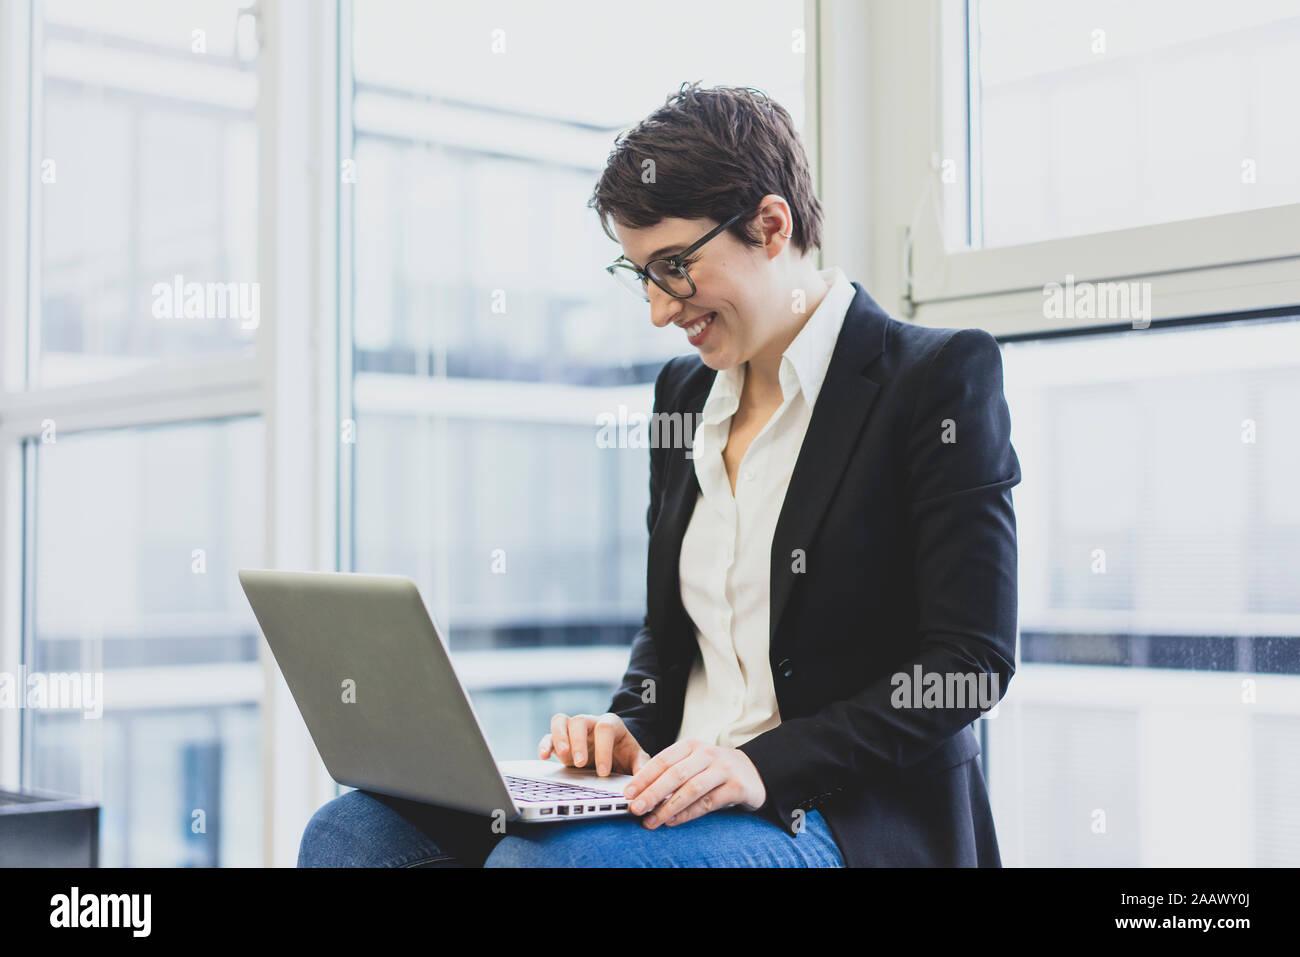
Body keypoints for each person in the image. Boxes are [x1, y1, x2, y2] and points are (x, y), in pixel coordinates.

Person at [298, 81, 1020, 867]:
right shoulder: (684, 396)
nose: (657, 308)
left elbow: (969, 663)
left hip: (836, 813)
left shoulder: (938, 378)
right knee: (352, 832)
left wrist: (757, 765)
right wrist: (626, 727)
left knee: (541, 866)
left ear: (770, 226)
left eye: (674, 266)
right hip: (673, 790)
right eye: (638, 271)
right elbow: (669, 637)